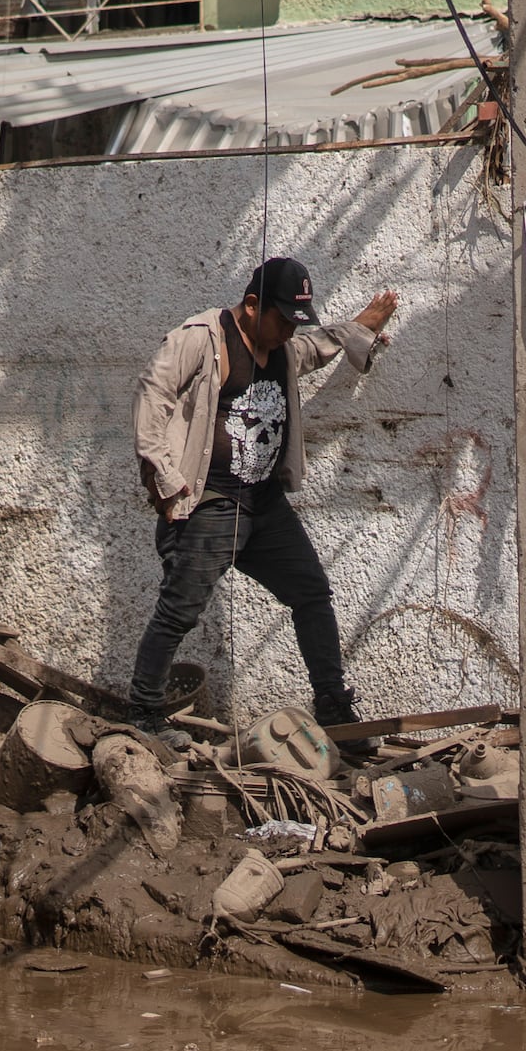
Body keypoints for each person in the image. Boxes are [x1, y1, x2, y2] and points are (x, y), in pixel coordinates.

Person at [127, 256, 398, 739]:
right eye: (281, 321)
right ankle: (144, 713)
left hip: (264, 503)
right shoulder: (202, 338)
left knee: (311, 592)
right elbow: (153, 395)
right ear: (253, 305)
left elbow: (318, 346)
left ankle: (333, 706)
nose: (288, 333)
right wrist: (166, 481)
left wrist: (360, 328)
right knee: (179, 609)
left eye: (296, 323)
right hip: (212, 501)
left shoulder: (284, 347)